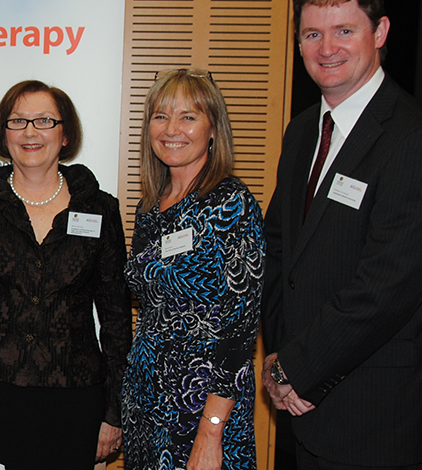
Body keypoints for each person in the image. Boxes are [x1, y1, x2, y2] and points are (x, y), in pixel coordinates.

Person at [0, 80, 131, 470]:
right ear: (3, 135)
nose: (30, 132)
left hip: (76, 401)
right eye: (18, 121)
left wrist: (113, 413)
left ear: (65, 134)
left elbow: (115, 320)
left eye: (43, 120)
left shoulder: (99, 208)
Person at [261, 0, 422, 467]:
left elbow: (386, 287)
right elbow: (278, 254)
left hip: (371, 417)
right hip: (302, 411)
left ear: (381, 32)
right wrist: (277, 359)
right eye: (312, 34)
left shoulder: (409, 138)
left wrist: (298, 369)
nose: (327, 48)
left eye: (344, 31)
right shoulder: (301, 132)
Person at [122, 68, 263, 470]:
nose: (172, 129)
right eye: (160, 116)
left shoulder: (230, 204)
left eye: (188, 117)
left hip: (203, 406)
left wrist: (211, 429)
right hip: (146, 399)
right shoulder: (149, 208)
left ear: (213, 128)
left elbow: (240, 330)